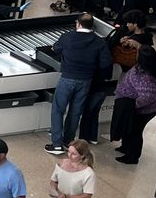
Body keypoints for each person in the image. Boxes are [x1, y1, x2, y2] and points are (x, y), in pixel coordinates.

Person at [47, 14, 110, 154]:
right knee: (76, 111)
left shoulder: (67, 37)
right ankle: (68, 141)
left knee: (58, 109)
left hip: (68, 78)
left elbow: (56, 49)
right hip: (86, 81)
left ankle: (56, 144)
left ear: (78, 24)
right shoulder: (99, 42)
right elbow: (105, 63)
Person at [111, 45, 156, 163]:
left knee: (135, 131)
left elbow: (147, 97)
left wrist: (131, 106)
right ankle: (125, 147)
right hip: (133, 106)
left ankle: (132, 157)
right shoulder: (141, 68)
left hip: (144, 110)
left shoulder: (146, 78)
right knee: (128, 127)